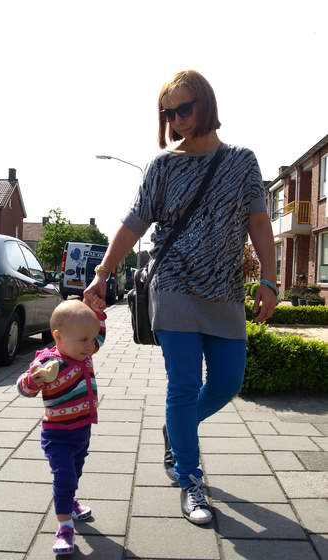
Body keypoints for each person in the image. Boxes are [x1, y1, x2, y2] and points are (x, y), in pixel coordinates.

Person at [84, 69, 277, 526]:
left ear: (205, 104)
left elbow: (259, 222)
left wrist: (269, 280)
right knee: (184, 386)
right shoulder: (163, 166)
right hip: (173, 286)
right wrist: (102, 273)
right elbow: (134, 222)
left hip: (225, 289)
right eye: (167, 113)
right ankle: (190, 480)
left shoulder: (242, 161)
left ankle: (176, 427)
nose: (176, 119)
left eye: (183, 109)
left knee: (228, 382)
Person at [16, 298, 106, 555]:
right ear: (58, 336)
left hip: (82, 429)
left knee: (75, 472)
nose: (90, 346)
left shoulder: (83, 350)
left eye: (91, 340)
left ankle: (70, 500)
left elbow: (99, 336)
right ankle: (64, 527)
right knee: (64, 476)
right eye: (84, 340)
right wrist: (32, 381)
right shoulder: (48, 363)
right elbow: (23, 388)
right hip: (58, 434)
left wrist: (98, 312)